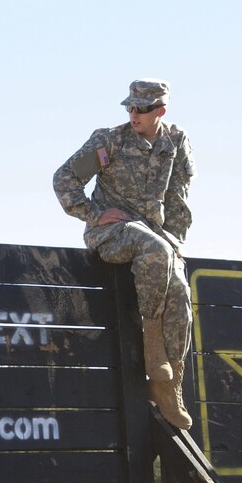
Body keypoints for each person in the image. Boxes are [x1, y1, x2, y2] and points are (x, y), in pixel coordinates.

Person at [52, 80, 196, 429]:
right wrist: (91, 213)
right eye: (130, 108)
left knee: (181, 294)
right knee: (154, 248)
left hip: (156, 240)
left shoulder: (175, 142)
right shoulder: (110, 140)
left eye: (142, 110)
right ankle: (152, 344)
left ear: (160, 111)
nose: (134, 115)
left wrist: (177, 242)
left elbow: (178, 199)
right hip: (112, 233)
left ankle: (167, 385)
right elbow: (65, 177)